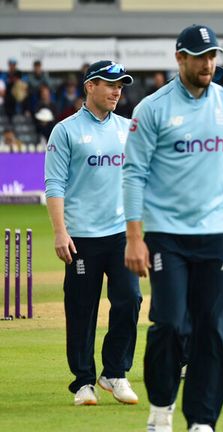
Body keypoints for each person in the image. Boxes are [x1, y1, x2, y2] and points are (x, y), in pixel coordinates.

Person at [122, 25, 223, 432]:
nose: (208, 63)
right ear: (180, 58)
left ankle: (201, 419)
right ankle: (161, 407)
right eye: (199, 56)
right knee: (169, 323)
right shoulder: (152, 108)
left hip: (215, 234)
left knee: (212, 330)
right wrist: (134, 237)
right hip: (166, 234)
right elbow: (133, 175)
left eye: (213, 55)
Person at [44, 60, 142, 406]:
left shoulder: (128, 128)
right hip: (81, 236)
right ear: (90, 86)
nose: (117, 91)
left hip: (120, 234)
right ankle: (84, 381)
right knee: (82, 309)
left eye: (121, 85)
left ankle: (114, 372)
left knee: (130, 300)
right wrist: (60, 232)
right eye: (110, 84)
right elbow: (54, 185)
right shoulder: (66, 130)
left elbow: (137, 181)